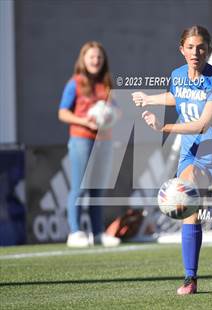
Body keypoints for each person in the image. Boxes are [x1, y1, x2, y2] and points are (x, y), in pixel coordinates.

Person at [132, 25, 212, 295]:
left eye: (201, 47)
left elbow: (202, 125)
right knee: (186, 204)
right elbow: (176, 96)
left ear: (208, 50)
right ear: (182, 50)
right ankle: (190, 278)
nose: (195, 52)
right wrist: (149, 98)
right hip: (194, 158)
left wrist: (163, 128)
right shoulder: (177, 76)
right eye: (190, 47)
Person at [58, 41, 120, 248]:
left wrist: (111, 115)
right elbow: (63, 112)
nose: (95, 61)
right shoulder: (75, 82)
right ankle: (75, 232)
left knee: (98, 190)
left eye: (99, 57)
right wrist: (85, 120)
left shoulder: (107, 83)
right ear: (83, 60)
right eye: (92, 57)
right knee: (79, 186)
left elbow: (117, 110)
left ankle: (98, 233)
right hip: (81, 139)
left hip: (104, 141)